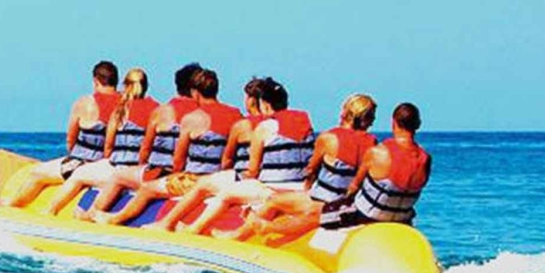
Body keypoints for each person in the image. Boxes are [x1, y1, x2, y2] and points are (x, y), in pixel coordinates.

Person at [156, 77, 315, 234]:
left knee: (220, 192)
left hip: (271, 189)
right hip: (300, 188)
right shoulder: (306, 126)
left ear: (264, 104)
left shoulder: (264, 127)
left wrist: (236, 176)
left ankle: (189, 228)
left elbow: (252, 171)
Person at [219, 93, 378, 243]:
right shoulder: (374, 144)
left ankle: (242, 234)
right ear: (369, 119)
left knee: (273, 201)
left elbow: (311, 170)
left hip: (324, 201)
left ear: (344, 113)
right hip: (349, 203)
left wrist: (308, 188)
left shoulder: (329, 138)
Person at [92, 67, 241, 226]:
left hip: (193, 178)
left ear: (195, 92)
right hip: (221, 177)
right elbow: (230, 156)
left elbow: (177, 160)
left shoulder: (192, 118)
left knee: (145, 188)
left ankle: (112, 217)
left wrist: (172, 175)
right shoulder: (236, 114)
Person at [78, 62, 201, 219]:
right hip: (194, 174)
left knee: (118, 177)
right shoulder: (203, 114)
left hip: (166, 173)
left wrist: (143, 166)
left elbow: (146, 149)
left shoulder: (161, 111)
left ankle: (94, 213)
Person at [1, 61, 123, 208]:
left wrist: (72, 158)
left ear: (96, 81)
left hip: (83, 162)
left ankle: (9, 206)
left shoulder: (85, 103)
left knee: (37, 174)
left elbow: (70, 139)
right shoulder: (126, 103)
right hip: (111, 165)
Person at [41, 67, 155, 215]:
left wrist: (106, 160)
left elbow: (108, 146)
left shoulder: (121, 110)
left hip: (120, 168)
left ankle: (50, 211)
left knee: (78, 175)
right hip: (144, 170)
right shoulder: (157, 109)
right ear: (146, 86)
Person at [320, 102, 431, 229]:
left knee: (327, 213)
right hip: (403, 219)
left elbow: (354, 187)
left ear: (393, 123)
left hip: (367, 216)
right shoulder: (426, 159)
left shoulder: (377, 152)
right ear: (418, 124)